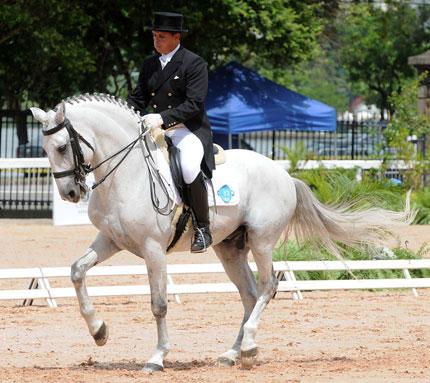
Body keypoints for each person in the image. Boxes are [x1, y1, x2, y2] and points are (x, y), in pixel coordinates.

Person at [127, 11, 215, 253]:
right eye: (155, 36)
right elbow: (138, 98)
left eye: (162, 36)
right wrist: (123, 113)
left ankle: (202, 228)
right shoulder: (149, 64)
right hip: (156, 129)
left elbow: (194, 103)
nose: (157, 41)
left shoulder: (194, 63)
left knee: (188, 167)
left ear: (177, 37)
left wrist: (162, 118)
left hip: (187, 129)